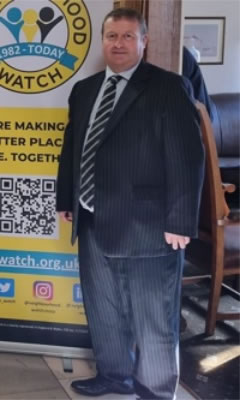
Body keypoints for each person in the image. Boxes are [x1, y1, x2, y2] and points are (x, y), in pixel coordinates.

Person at [56, 8, 204, 399]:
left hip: (150, 226)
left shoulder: (168, 88)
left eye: (127, 36)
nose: (118, 44)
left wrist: (181, 221)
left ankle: (154, 389)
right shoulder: (85, 90)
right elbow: (73, 148)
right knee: (102, 307)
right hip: (91, 218)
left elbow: (188, 158)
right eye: (111, 36)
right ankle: (114, 374)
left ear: (144, 41)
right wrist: (67, 199)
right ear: (102, 40)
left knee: (152, 316)